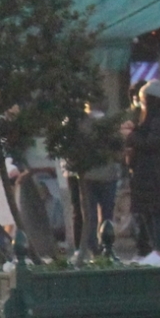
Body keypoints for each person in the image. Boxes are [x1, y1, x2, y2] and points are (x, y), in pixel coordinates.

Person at [123, 78, 160, 260]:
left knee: (159, 214)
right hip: (147, 176)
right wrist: (134, 131)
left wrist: (131, 136)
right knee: (148, 214)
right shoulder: (152, 119)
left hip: (159, 176)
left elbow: (150, 143)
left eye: (144, 101)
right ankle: (155, 249)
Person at [64, 104, 127, 257]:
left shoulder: (79, 123)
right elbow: (119, 153)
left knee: (88, 215)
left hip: (87, 176)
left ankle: (90, 248)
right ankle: (107, 246)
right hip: (108, 175)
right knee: (106, 213)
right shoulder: (110, 125)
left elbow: (70, 151)